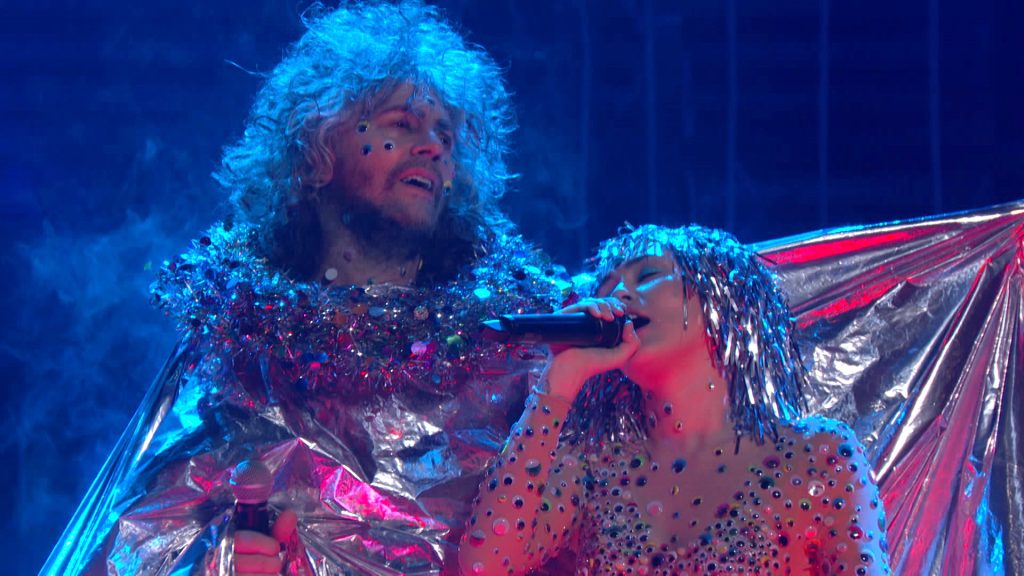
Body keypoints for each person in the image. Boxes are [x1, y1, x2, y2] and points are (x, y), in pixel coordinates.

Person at [41, 2, 569, 575]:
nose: (434, 147)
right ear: (317, 152)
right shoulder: (234, 360)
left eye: (445, 134)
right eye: (402, 123)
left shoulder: (510, 354)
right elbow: (121, 552)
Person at [460, 224, 892, 575]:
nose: (618, 295)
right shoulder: (593, 464)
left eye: (647, 275)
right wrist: (560, 378)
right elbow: (487, 563)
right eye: (607, 287)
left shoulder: (817, 455)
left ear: (721, 297)